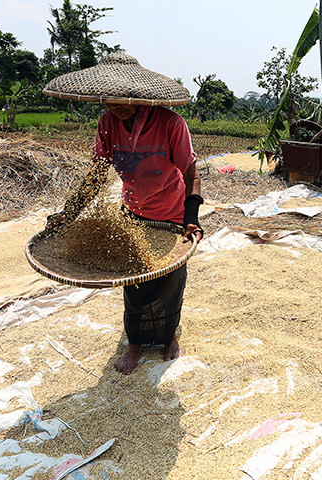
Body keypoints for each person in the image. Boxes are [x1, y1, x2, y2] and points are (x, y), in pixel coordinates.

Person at [42, 53, 203, 375]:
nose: (112, 106)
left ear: (138, 95)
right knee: (134, 280)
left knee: (169, 280)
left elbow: (191, 174)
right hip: (131, 211)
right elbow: (97, 174)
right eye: (107, 100)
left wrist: (192, 217)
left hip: (170, 214)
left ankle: (168, 336)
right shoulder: (107, 123)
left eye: (119, 100)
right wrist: (69, 213)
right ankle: (135, 342)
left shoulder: (171, 124)